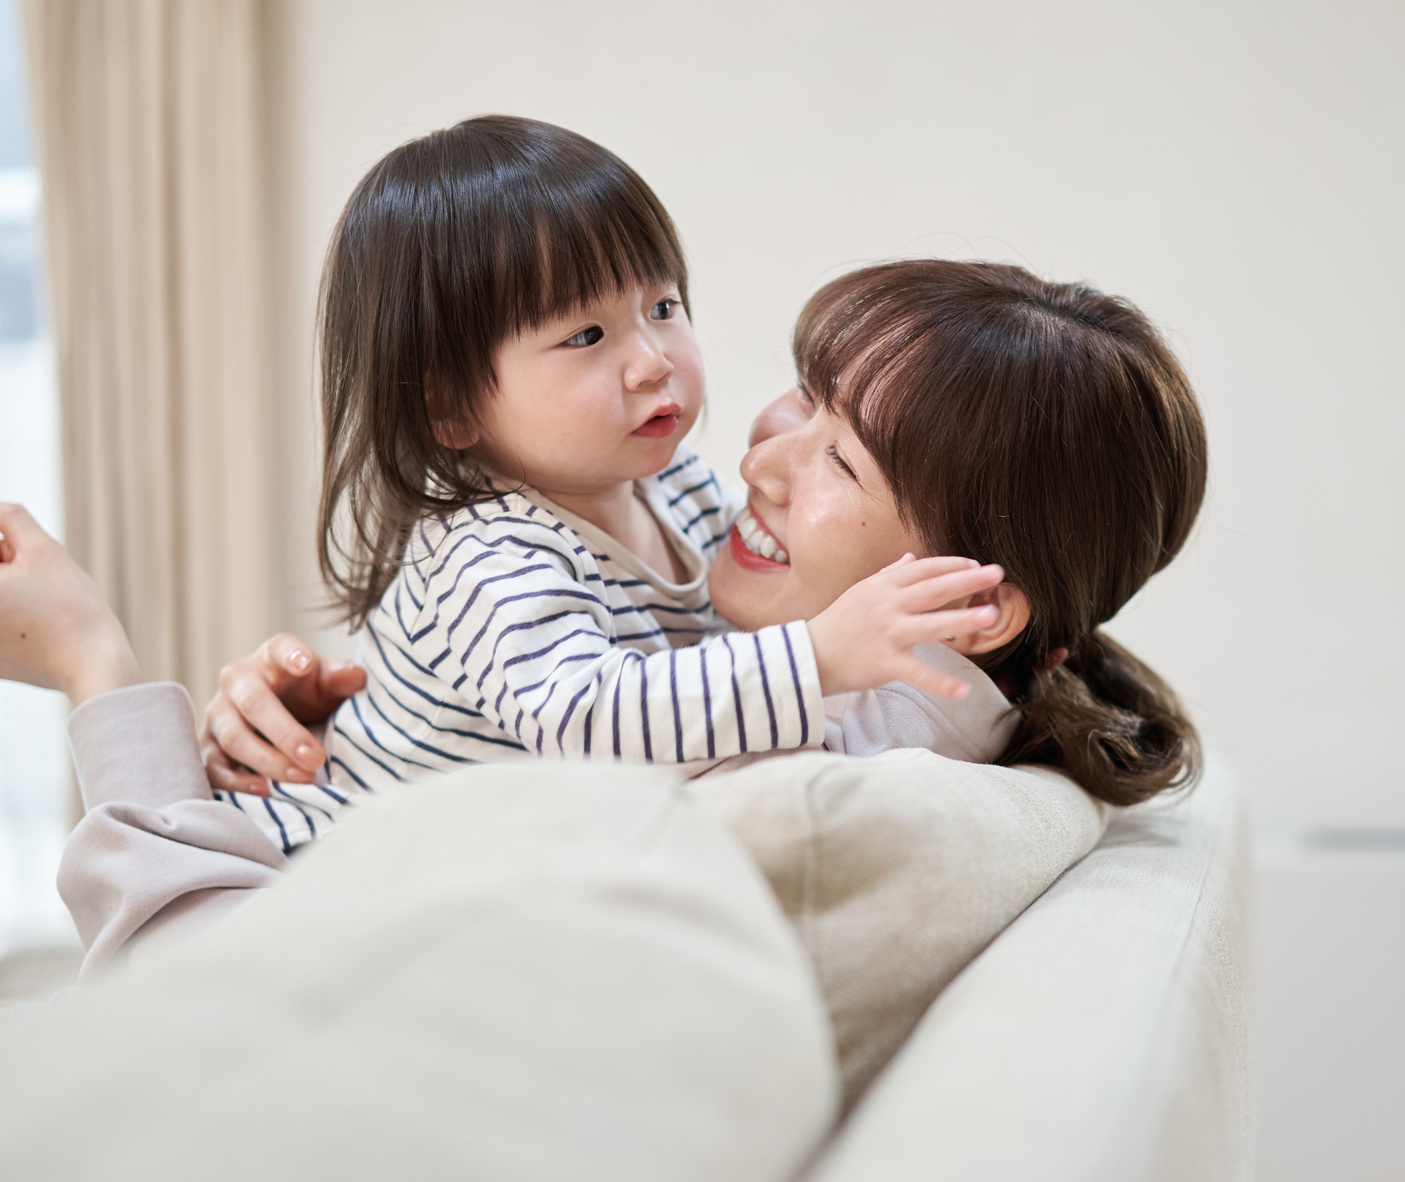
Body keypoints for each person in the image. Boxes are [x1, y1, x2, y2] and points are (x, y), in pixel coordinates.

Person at [16, 257, 1207, 972]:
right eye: (802, 396)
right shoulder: (900, 705)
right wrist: (403, 731)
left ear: (975, 607)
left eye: (842, 464)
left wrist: (93, 664)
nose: (760, 460)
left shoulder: (791, 772)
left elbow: (174, 971)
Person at [221, 116, 1012, 850]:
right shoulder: (487, 552)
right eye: (586, 334)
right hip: (321, 856)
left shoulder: (684, 492)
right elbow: (587, 718)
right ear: (450, 406)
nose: (653, 360)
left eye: (662, 305)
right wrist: (817, 658)